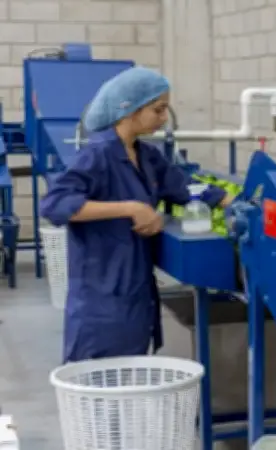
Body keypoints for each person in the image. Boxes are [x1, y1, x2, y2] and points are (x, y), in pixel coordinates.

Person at [41, 67, 234, 363]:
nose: (164, 118)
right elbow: (55, 204)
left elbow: (183, 186)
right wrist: (131, 208)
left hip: (135, 288)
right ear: (129, 110)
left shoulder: (147, 155)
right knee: (101, 379)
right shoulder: (97, 155)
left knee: (132, 374)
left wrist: (231, 200)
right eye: (157, 110)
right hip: (102, 293)